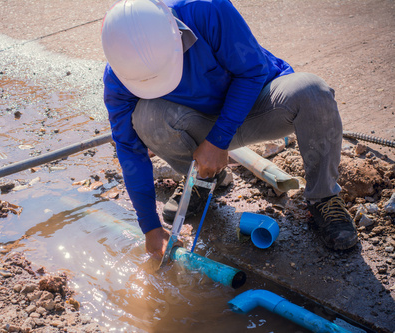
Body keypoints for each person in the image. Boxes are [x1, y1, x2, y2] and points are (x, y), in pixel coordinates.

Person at [101, 0, 358, 259]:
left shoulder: (207, 10)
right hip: (196, 124)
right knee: (145, 118)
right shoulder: (117, 76)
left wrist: (218, 140)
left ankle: (323, 198)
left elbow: (252, 72)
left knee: (312, 91)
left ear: (176, 33)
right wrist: (150, 227)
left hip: (258, 105)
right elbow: (128, 148)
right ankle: (203, 177)